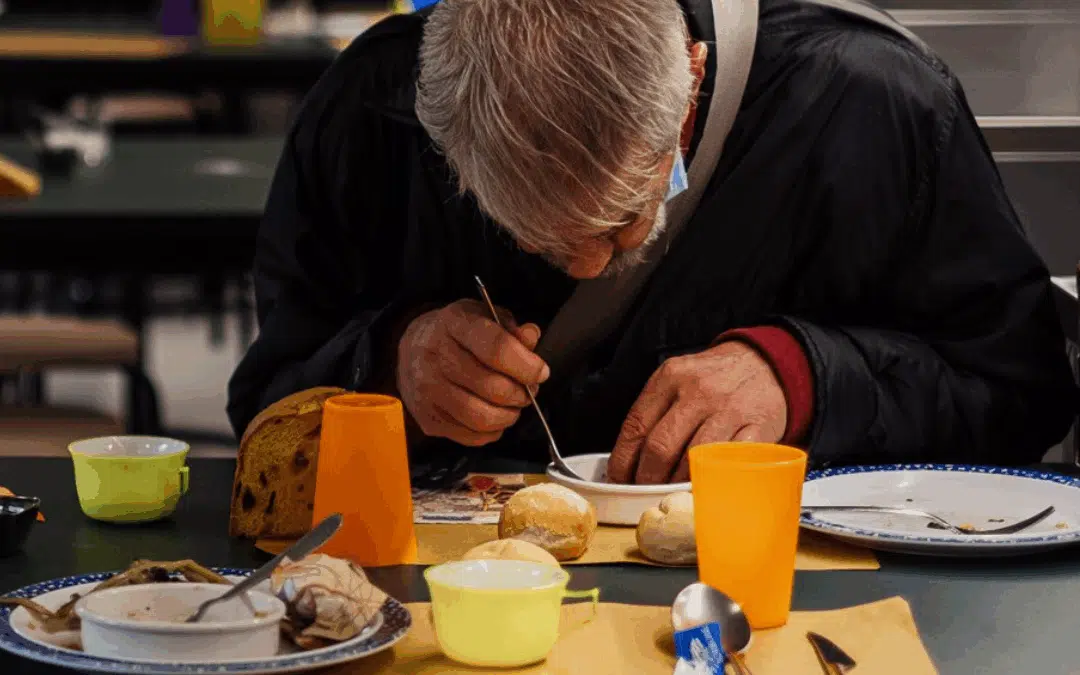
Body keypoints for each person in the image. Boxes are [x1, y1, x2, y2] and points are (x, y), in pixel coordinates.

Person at [227, 0, 1079, 484]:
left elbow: (1020, 396)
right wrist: (389, 365)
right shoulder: (370, 109)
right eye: (533, 235)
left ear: (692, 83)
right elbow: (265, 408)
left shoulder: (869, 106)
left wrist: (806, 379)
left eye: (623, 218)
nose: (589, 267)